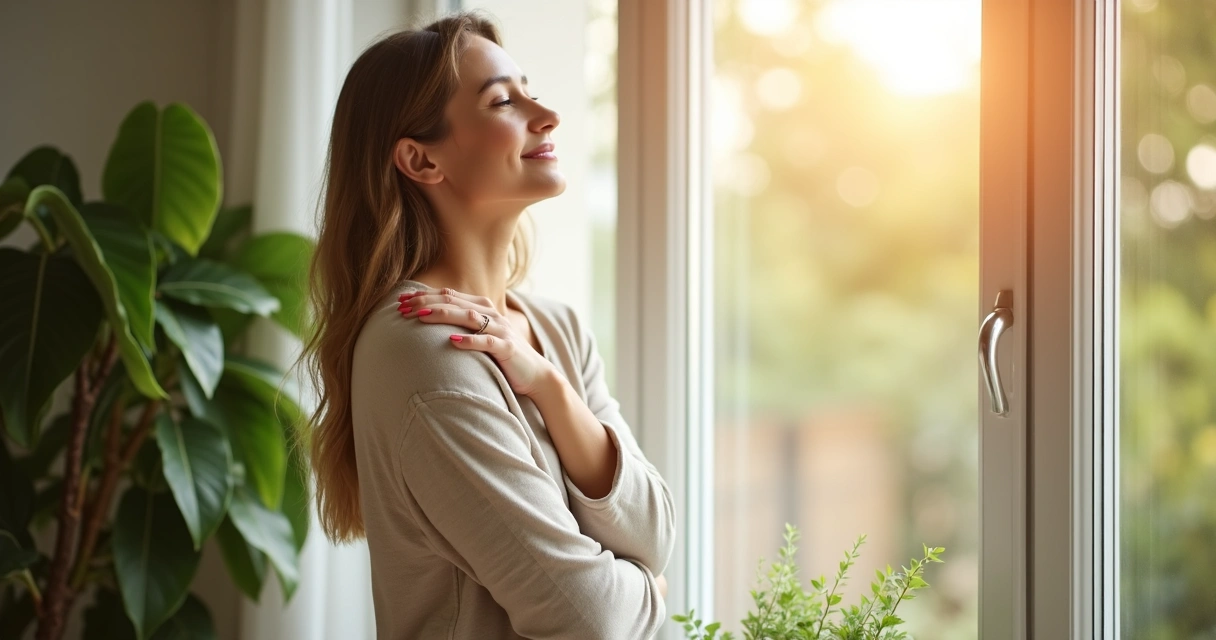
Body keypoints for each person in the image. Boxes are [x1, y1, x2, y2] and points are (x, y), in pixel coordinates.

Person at [298, 11, 675, 639]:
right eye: (504, 100)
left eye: (529, 88)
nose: (544, 113)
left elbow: (654, 532)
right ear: (421, 160)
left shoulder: (555, 329)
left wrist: (552, 389)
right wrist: (653, 592)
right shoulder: (423, 353)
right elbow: (591, 619)